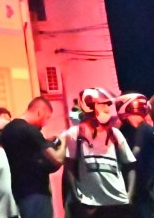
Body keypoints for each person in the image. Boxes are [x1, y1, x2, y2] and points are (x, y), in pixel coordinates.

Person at [63, 88, 136, 218]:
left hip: (118, 203)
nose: (107, 108)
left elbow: (130, 165)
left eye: (108, 104)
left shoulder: (115, 134)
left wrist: (129, 196)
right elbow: (70, 167)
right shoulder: (75, 133)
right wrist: (77, 198)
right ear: (89, 107)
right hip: (90, 204)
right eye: (102, 104)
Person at [0, 97, 65, 218]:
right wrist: (64, 142)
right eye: (47, 117)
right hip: (37, 193)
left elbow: (29, 157)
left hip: (20, 193)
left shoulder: (8, 130)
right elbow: (56, 159)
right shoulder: (30, 130)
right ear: (39, 112)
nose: (45, 123)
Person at [113, 94, 154, 218]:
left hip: (145, 188)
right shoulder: (146, 128)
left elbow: (135, 153)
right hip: (147, 186)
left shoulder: (143, 129)